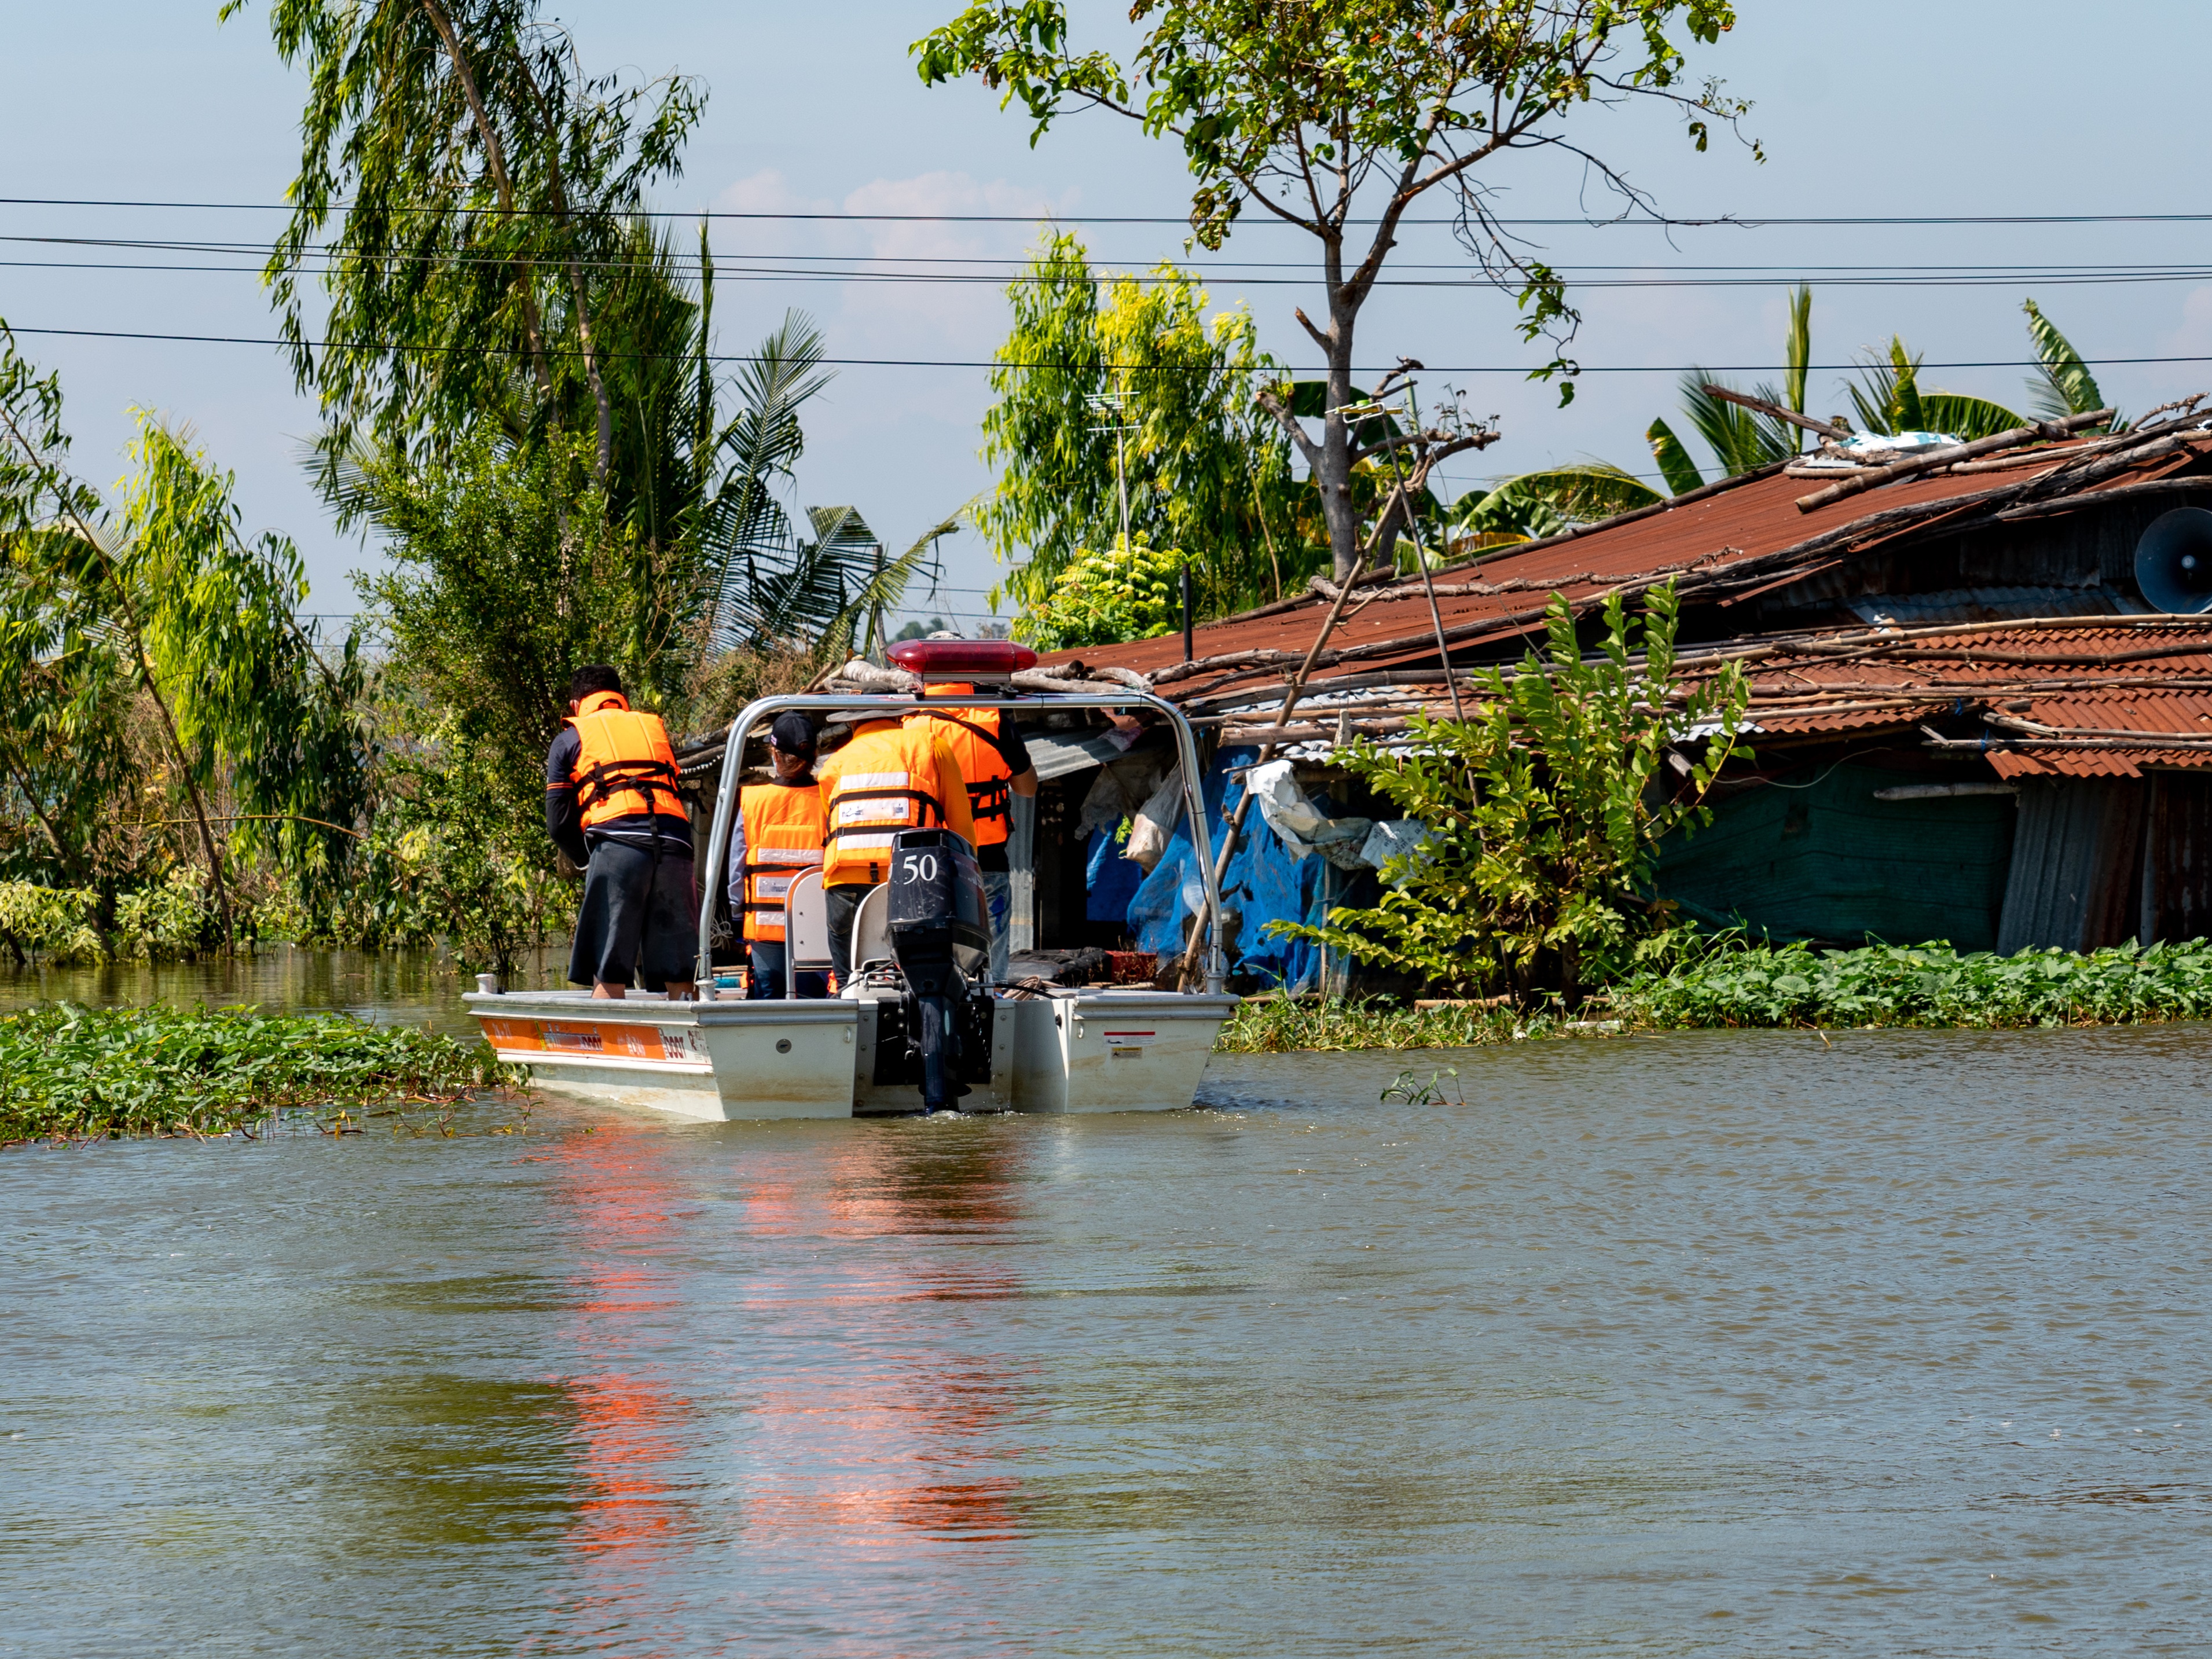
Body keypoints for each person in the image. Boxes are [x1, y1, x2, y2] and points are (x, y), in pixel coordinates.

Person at [544, 665, 696, 999]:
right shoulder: (653, 728)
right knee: (680, 966)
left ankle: (610, 1043)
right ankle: (690, 1041)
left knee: (609, 967)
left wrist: (588, 858)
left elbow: (557, 822)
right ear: (620, 699)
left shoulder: (571, 736)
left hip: (618, 844)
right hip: (676, 843)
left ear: (575, 705)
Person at [813, 709, 974, 986]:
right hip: (915, 879)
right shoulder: (931, 747)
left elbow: (830, 830)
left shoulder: (833, 765)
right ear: (900, 717)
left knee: (850, 984)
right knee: (921, 981)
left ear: (853, 722)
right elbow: (963, 832)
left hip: (846, 886)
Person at [903, 683, 1036, 985]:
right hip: (985, 858)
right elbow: (1028, 789)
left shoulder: (908, 724)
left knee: (931, 949)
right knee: (991, 953)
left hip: (926, 860)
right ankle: (994, 1007)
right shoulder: (995, 720)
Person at [727, 713, 830, 999]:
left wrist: (737, 913)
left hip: (764, 925)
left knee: (769, 1005)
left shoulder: (753, 800)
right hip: (815, 926)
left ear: (774, 753)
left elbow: (737, 865)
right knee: (813, 1004)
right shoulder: (828, 798)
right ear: (814, 756)